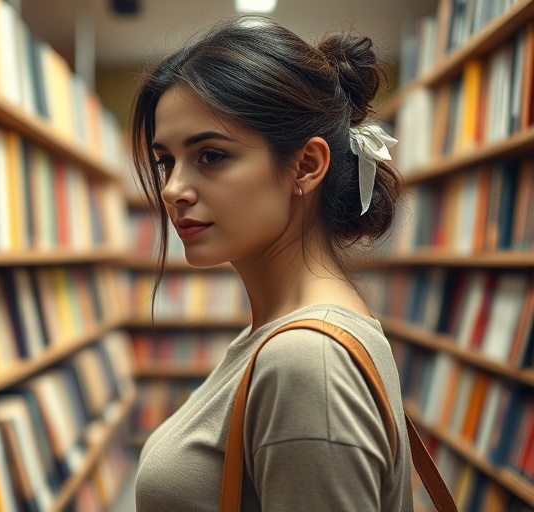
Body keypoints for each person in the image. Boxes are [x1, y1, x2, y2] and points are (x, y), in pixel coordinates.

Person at [132, 16, 413, 511]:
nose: (173, 189)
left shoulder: (307, 362)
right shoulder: (281, 336)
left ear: (306, 165)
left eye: (211, 156)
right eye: (165, 161)